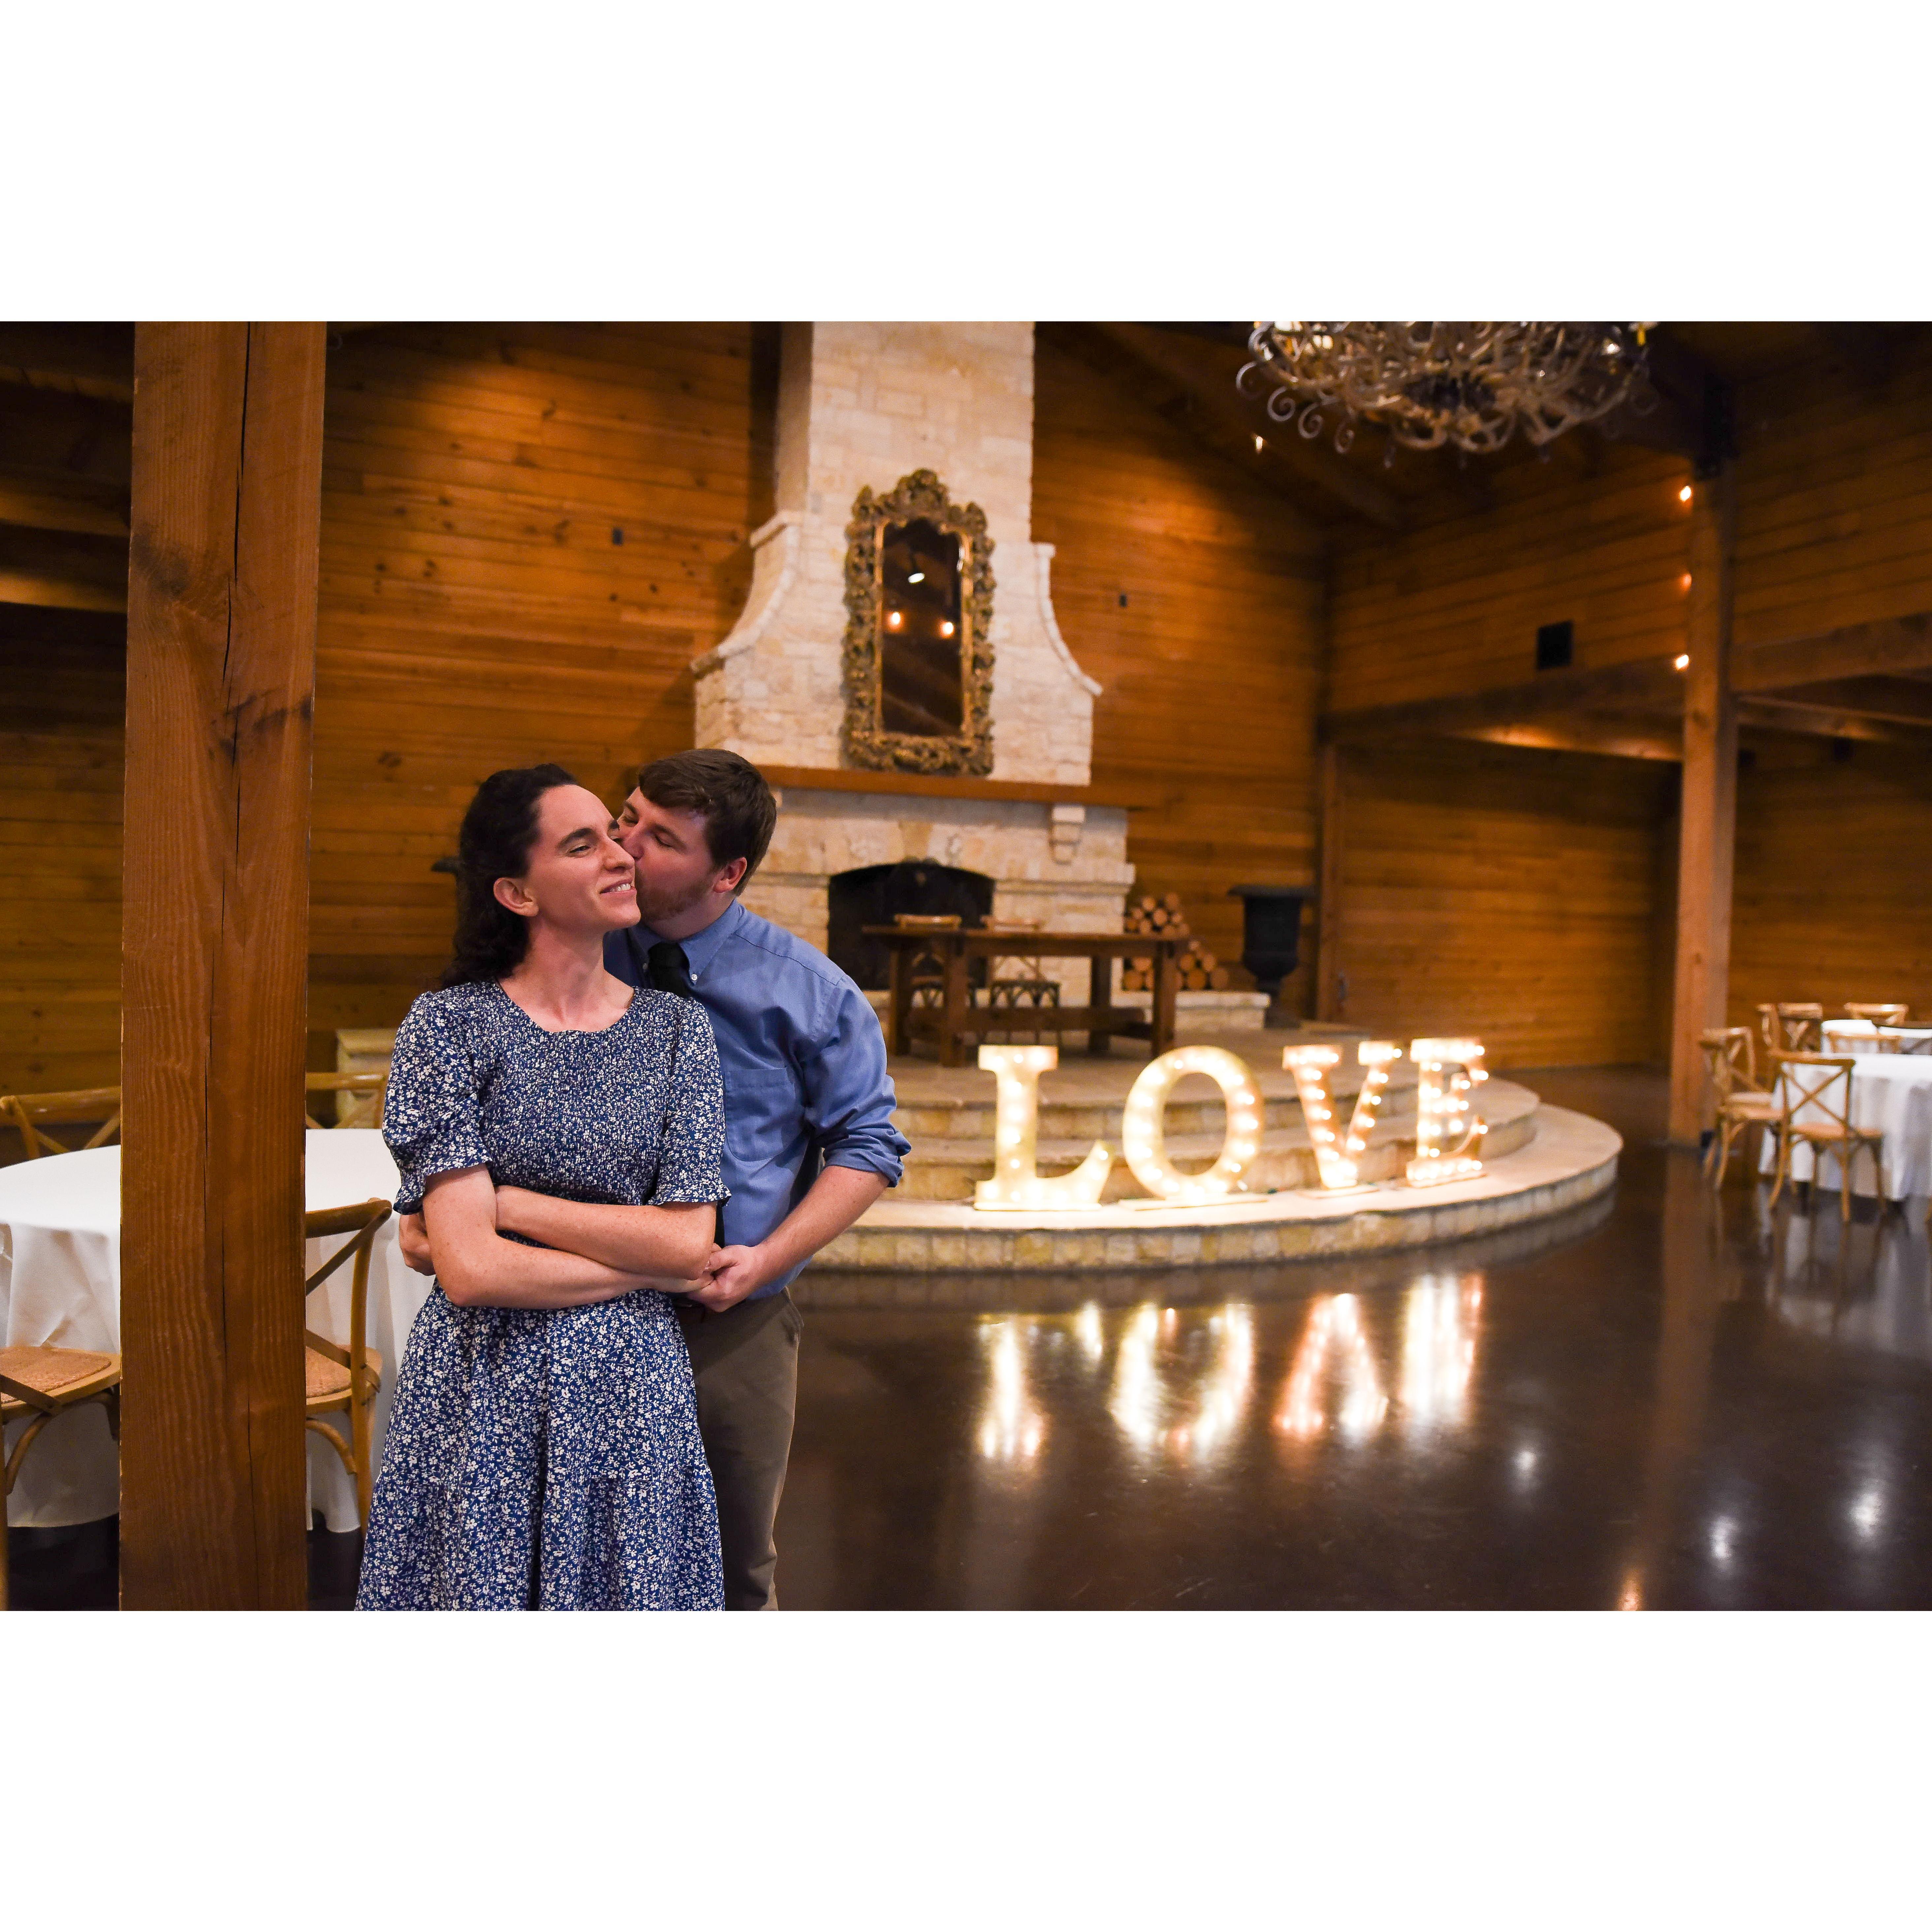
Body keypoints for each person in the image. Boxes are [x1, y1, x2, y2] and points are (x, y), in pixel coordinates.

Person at [404, 749, 909, 1609]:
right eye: (625, 819)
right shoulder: (572, 940)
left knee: (728, 1567)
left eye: (661, 839)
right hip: (534, 1308)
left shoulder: (808, 993)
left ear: (727, 874)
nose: (625, 849)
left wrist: (763, 1259)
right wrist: (460, 1222)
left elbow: (869, 1146)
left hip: (725, 1315)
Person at [357, 764, 728, 1612]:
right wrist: (651, 1265)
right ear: (517, 893)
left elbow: (688, 1241)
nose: (622, 855)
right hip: (482, 1390)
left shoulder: (678, 1031)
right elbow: (472, 1273)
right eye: (583, 845)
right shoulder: (447, 1026)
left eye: (613, 835)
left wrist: (506, 1205)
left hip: (631, 1395)